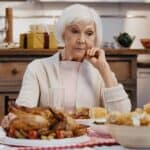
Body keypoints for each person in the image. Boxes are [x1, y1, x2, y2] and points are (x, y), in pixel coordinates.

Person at [1, 4, 131, 127]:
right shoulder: (37, 68)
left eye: (89, 33)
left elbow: (123, 115)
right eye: (75, 31)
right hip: (52, 142)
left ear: (95, 38)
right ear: (63, 33)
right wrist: (14, 118)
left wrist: (104, 69)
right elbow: (24, 109)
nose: (81, 40)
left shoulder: (100, 73)